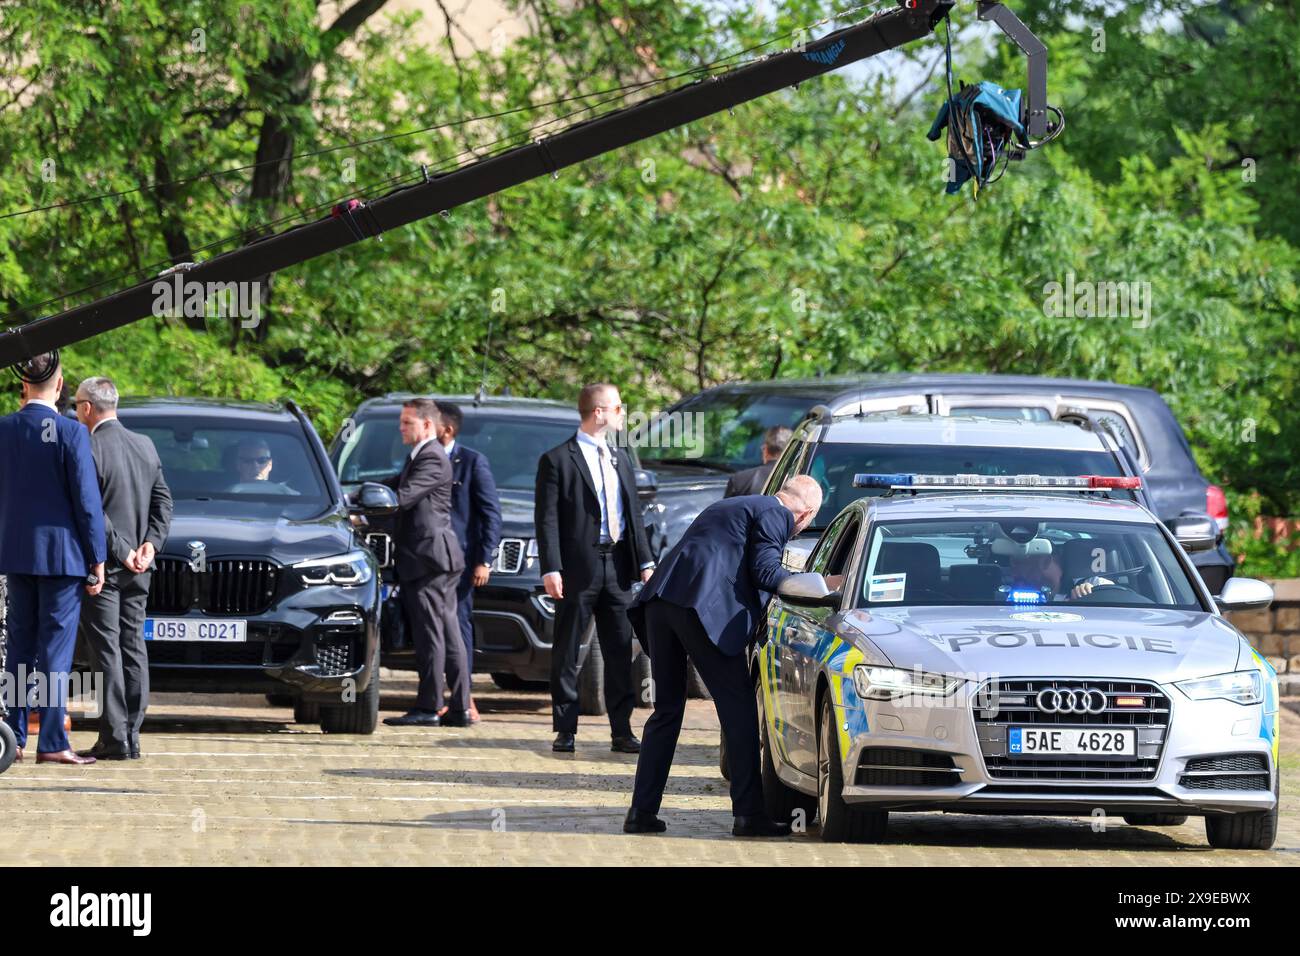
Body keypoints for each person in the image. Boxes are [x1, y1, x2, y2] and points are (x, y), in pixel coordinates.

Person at [625, 475, 824, 838]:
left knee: (666, 712)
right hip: (699, 610)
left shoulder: (734, 505)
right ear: (806, 513)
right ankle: (748, 815)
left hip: (660, 603)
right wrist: (809, 582)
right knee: (739, 711)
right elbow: (764, 571)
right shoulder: (776, 514)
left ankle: (641, 812)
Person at [535, 383, 656, 754]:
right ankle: (565, 728)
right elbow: (547, 519)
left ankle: (621, 730)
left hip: (617, 566)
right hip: (577, 567)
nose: (623, 414)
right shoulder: (558, 459)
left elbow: (633, 515)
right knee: (569, 647)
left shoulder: (620, 457)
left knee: (620, 650)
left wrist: (646, 563)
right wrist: (551, 567)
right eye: (619, 408)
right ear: (599, 412)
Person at [0, 351, 106, 765]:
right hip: (63, 558)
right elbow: (86, 501)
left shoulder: (4, 429)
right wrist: (97, 558)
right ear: (60, 387)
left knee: (19, 649)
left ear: (23, 385)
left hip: (15, 554)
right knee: (55, 655)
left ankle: (12, 733)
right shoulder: (70, 432)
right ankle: (51, 742)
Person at [74, 376, 173, 760]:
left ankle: (115, 737)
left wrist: (124, 549)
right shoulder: (144, 445)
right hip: (139, 569)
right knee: (133, 646)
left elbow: (91, 510)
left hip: (106, 568)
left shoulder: (88, 446)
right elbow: (164, 502)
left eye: (77, 405)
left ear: (87, 408)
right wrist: (151, 544)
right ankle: (132, 733)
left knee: (106, 651)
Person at [381, 398, 472, 728]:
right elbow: (394, 485)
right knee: (446, 633)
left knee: (432, 635)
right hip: (432, 558)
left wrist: (371, 507)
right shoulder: (421, 456)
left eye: (407, 422)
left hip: (429, 558)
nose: (401, 428)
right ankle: (459, 708)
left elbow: (402, 498)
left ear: (427, 425)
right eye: (402, 421)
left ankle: (429, 706)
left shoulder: (431, 458)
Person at [435, 402, 502, 724]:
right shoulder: (419, 460)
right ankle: (435, 697)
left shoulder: (473, 462)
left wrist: (484, 560)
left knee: (458, 629)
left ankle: (464, 700)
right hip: (426, 561)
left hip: (460, 563)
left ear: (447, 429)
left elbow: (491, 514)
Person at [1007, 548, 1112, 601]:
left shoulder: (1094, 583)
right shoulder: (1009, 591)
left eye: (1021, 564)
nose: (1013, 573)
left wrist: (1093, 595)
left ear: (1045, 561)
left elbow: (1116, 601)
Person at [724, 426, 792, 498]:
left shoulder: (739, 480)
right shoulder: (799, 480)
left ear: (765, 449)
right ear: (791, 450)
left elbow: (726, 508)